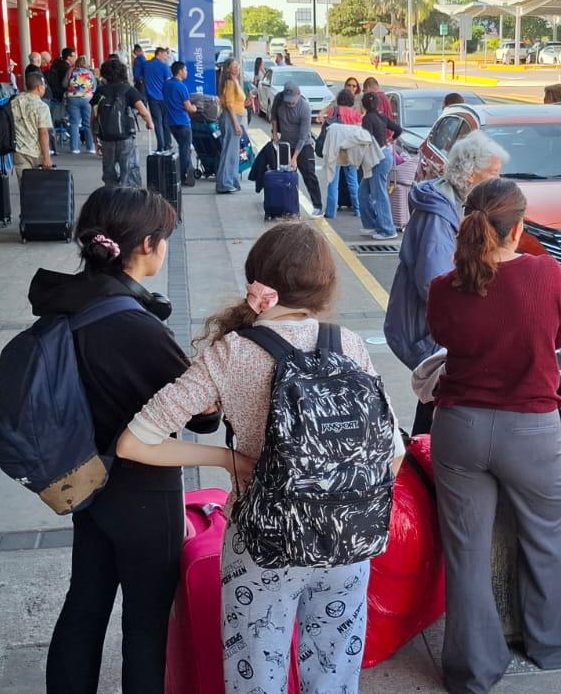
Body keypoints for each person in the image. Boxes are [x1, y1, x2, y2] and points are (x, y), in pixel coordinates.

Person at [116, 222, 404, 694]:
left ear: (257, 279)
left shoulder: (232, 352)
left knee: (257, 676)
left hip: (262, 545)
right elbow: (393, 451)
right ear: (325, 285)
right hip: (346, 544)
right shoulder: (348, 343)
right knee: (334, 677)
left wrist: (227, 459)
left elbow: (134, 442)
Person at [42, 187, 219, 693]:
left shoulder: (70, 300)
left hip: (86, 478)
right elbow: (202, 418)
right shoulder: (135, 326)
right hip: (144, 491)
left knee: (85, 605)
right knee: (146, 624)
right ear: (146, 245)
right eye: (165, 238)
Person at [427, 178, 561, 692]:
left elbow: (441, 337)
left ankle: (472, 670)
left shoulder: (445, 287)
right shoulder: (545, 273)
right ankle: (555, 646)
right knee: (543, 537)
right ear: (518, 228)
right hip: (531, 431)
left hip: (460, 428)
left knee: (466, 553)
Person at [385, 131, 507, 434]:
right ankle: (425, 456)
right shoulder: (439, 214)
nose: (498, 180)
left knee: (436, 395)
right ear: (471, 174)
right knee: (438, 397)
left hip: (434, 327)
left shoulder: (454, 202)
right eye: (493, 173)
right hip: (427, 330)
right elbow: (434, 282)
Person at [91, 58, 154, 188]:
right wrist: (149, 123)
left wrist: (95, 140)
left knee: (109, 172)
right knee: (129, 170)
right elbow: (143, 111)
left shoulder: (100, 92)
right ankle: (128, 196)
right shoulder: (128, 90)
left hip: (106, 138)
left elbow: (94, 118)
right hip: (126, 137)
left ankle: (112, 195)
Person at [270, 79, 322, 210]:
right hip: (285, 144)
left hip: (303, 145)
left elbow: (303, 136)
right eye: (288, 101)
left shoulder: (304, 108)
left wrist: (294, 158)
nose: (290, 103)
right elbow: (274, 116)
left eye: (292, 100)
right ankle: (287, 206)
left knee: (309, 176)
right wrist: (275, 133)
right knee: (284, 177)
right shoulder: (279, 99)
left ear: (299, 94)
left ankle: (317, 205)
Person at [359, 91, 401, 240]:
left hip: (377, 160)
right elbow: (398, 129)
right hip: (385, 155)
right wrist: (391, 139)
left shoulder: (367, 119)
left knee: (379, 195)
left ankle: (388, 230)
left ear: (363, 105)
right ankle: (372, 225)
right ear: (378, 104)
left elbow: (367, 140)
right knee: (363, 192)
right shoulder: (382, 116)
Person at [320, 88, 365, 218]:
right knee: (353, 181)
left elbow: (326, 128)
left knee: (333, 182)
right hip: (350, 151)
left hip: (335, 151)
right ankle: (358, 210)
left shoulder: (333, 112)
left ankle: (331, 212)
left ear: (339, 99)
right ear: (351, 101)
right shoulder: (355, 115)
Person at [11, 71, 56, 175]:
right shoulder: (42, 107)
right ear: (39, 88)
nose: (44, 88)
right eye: (44, 86)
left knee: (24, 182)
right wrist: (47, 157)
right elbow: (43, 133)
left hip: (19, 150)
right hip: (36, 152)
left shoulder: (14, 102)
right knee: (37, 183)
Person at [216, 59, 246, 194]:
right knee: (229, 151)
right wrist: (236, 124)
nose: (237, 68)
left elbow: (238, 101)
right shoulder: (229, 82)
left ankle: (231, 181)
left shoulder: (235, 81)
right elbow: (229, 104)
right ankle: (225, 183)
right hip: (231, 118)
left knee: (233, 152)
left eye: (237, 66)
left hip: (236, 116)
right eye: (234, 66)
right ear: (228, 69)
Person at [164, 61, 197, 186]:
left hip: (171, 122)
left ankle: (187, 173)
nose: (187, 72)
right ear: (180, 71)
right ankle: (185, 176)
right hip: (183, 122)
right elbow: (188, 107)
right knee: (185, 150)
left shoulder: (166, 84)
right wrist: (195, 108)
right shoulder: (181, 86)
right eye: (185, 70)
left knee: (183, 148)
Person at [65, 56, 98, 154]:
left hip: (73, 99)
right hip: (87, 99)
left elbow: (65, 84)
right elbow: (94, 86)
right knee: (87, 123)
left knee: (74, 123)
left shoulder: (71, 71)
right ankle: (90, 147)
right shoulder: (90, 73)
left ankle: (74, 148)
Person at [144, 47, 173, 151]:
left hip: (152, 98)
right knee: (166, 121)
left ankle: (160, 146)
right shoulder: (164, 66)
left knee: (157, 122)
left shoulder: (146, 65)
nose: (166, 57)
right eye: (165, 55)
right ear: (159, 54)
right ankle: (168, 144)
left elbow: (140, 78)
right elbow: (169, 81)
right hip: (164, 97)